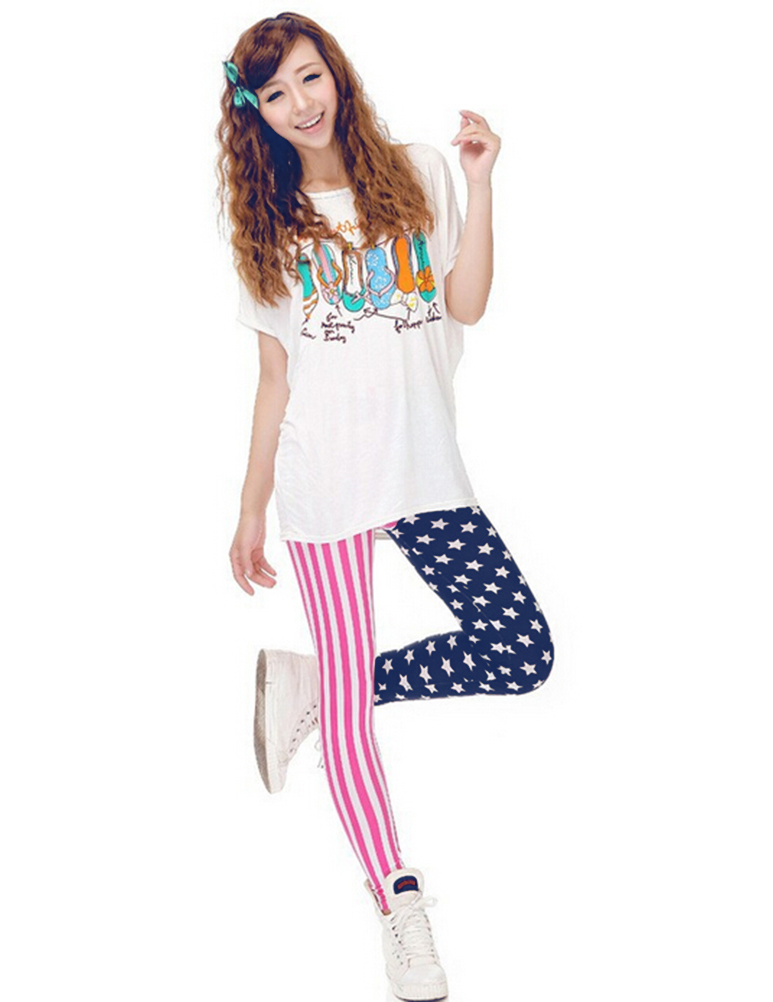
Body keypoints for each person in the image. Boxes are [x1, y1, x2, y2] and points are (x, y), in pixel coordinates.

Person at [216, 13, 555, 1000]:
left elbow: (466, 304)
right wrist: (250, 508)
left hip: (422, 470)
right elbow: (274, 380)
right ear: (256, 114)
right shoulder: (268, 229)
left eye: (308, 78)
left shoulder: (417, 173)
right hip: (325, 482)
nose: (300, 104)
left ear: (338, 74)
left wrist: (482, 184)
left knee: (520, 651)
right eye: (275, 94)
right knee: (357, 729)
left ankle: (323, 683)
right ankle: (399, 907)